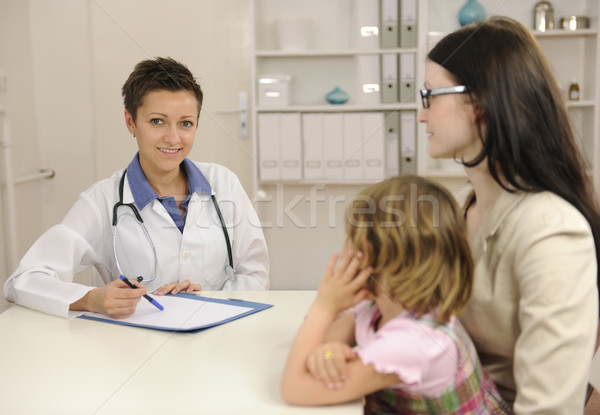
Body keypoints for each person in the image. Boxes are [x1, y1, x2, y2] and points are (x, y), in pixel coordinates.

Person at [418, 16, 599, 414]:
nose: (421, 114)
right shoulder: (467, 208)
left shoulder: (552, 230)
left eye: (430, 96)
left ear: (479, 101)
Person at [3, 57, 269, 318]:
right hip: (133, 349)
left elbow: (255, 273)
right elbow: (24, 281)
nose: (173, 138)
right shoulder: (102, 200)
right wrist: (91, 299)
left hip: (217, 342)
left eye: (185, 123)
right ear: (131, 122)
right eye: (157, 121)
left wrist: (207, 302)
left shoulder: (224, 183)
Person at [281, 176, 510, 414]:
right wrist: (327, 354)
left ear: (387, 261)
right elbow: (314, 345)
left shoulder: (413, 342)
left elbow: (293, 388)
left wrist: (325, 305)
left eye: (356, 243)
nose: (347, 251)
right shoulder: (379, 306)